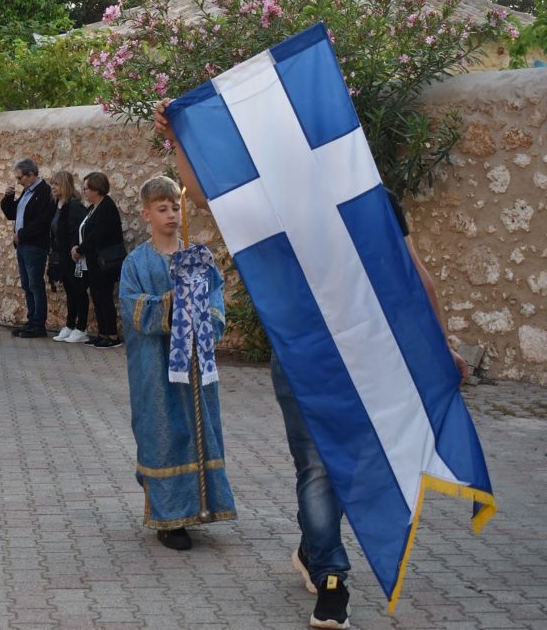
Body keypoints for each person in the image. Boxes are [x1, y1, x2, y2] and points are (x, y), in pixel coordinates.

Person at [153, 98, 468, 629]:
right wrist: (178, 135)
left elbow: (417, 278)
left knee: (341, 466)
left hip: (350, 356)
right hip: (313, 357)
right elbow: (206, 197)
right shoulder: (305, 203)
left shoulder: (350, 200)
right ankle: (331, 578)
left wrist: (441, 346)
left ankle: (311, 547)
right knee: (321, 467)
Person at [119, 175, 236, 551]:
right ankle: (169, 519)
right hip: (155, 367)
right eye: (162, 208)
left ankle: (204, 504)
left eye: (175, 207)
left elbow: (216, 297)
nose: (171, 214)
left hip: (197, 365)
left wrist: (208, 318)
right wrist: (172, 305)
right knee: (163, 429)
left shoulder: (198, 259)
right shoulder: (136, 263)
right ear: (146, 214)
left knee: (198, 427)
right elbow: (132, 306)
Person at [0, 158, 54, 338]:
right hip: (22, 245)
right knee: (26, 284)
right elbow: (12, 213)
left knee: (35, 284)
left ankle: (39, 324)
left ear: (31, 174)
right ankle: (31, 321)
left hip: (35, 245)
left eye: (20, 177)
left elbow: (42, 220)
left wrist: (22, 234)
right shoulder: (26, 192)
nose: (18, 181)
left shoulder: (44, 192)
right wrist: (8, 198)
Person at [71, 172, 125, 348]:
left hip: (104, 262)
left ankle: (112, 335)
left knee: (104, 297)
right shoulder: (92, 208)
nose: (84, 192)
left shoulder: (106, 207)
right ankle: (102, 333)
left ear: (96, 189)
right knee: (96, 295)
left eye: (87, 188)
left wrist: (80, 249)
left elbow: (96, 235)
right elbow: (82, 230)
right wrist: (75, 246)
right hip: (92, 262)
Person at [48, 170, 90, 344]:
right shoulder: (57, 205)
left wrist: (76, 248)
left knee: (79, 291)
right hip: (62, 257)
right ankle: (70, 324)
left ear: (65, 185)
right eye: (52, 184)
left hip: (74, 257)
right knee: (70, 292)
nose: (53, 188)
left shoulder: (74, 206)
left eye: (56, 184)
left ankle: (81, 328)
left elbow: (82, 229)